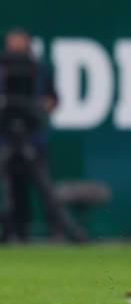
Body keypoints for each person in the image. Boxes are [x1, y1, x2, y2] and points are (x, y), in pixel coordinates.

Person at [0, 28, 85, 242]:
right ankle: (10, 232)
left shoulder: (39, 69)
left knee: (45, 189)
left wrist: (38, 108)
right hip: (4, 137)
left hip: (32, 139)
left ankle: (61, 232)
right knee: (7, 191)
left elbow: (53, 100)